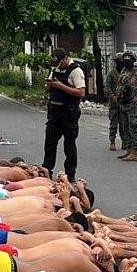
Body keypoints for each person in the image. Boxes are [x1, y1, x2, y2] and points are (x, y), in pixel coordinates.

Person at [41, 48, 85, 182]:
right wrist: (49, 85)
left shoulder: (75, 71)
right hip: (54, 112)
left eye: (60, 63)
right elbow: (47, 89)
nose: (58, 67)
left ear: (65, 58)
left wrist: (61, 86)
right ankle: (46, 172)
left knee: (69, 145)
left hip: (69, 112)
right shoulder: (55, 69)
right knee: (50, 143)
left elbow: (80, 93)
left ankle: (70, 176)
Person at [116, 50, 137, 162]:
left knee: (134, 128)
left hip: (133, 105)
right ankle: (128, 150)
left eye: (129, 59)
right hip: (123, 104)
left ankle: (134, 153)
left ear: (133, 60)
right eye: (125, 59)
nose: (127, 61)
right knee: (125, 128)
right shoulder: (123, 72)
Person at [105, 53, 123, 151]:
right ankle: (112, 141)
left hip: (124, 102)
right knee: (114, 123)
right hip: (114, 103)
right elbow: (107, 87)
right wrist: (112, 96)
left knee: (124, 124)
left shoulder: (126, 73)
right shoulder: (111, 73)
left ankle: (125, 141)